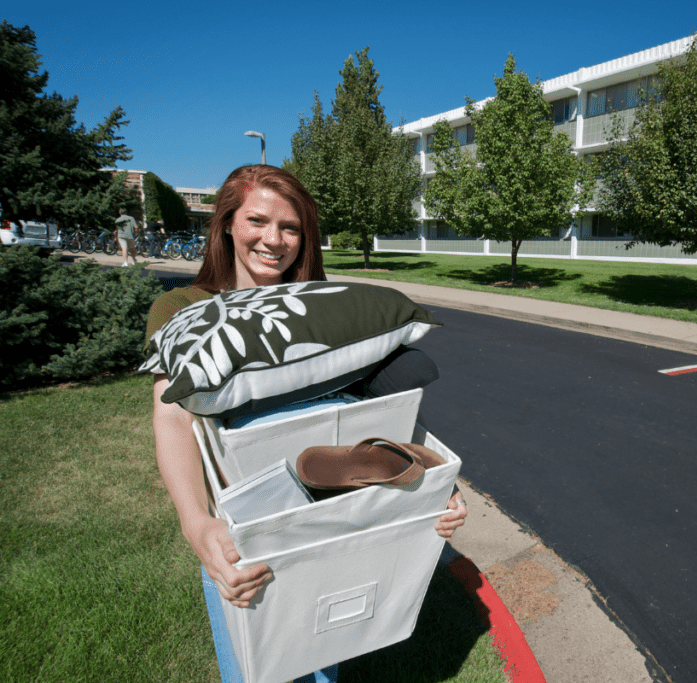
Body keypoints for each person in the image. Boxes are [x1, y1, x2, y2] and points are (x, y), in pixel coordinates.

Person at [145, 165, 467, 682]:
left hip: (336, 513)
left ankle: (356, 475)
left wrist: (433, 479)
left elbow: (388, 401)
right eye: (257, 220)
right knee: (263, 665)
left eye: (291, 228)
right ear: (227, 223)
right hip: (247, 521)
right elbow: (172, 419)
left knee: (321, 654)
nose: (273, 240)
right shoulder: (184, 308)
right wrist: (196, 525)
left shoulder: (332, 312)